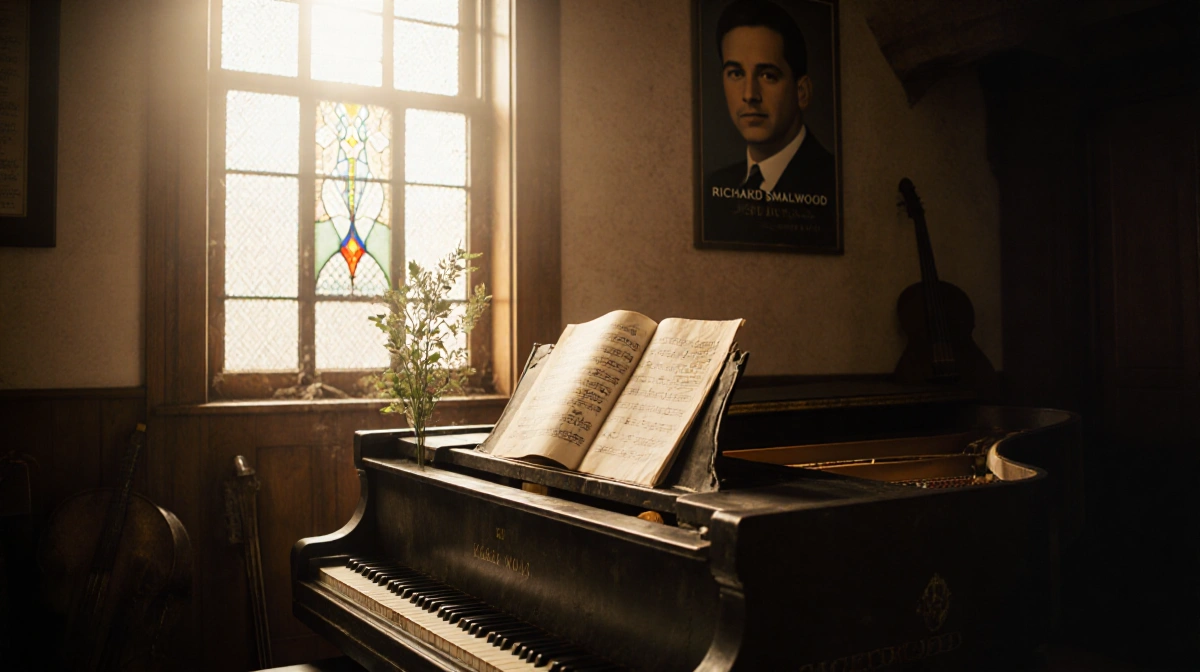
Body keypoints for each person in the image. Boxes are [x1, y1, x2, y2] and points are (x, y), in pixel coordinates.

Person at [702, 0, 837, 248]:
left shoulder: (833, 183)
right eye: (736, 74)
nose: (749, 94)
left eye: (767, 75)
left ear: (802, 92)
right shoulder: (714, 187)